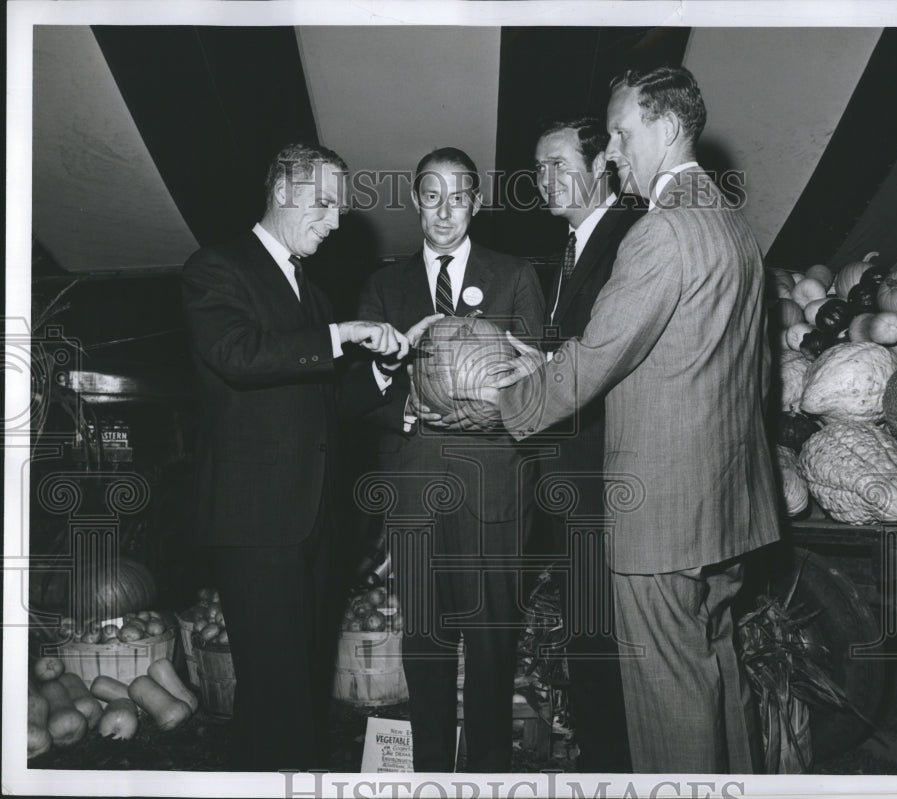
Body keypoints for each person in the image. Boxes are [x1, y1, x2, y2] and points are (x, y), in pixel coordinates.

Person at [477, 66, 781, 773]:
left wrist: (506, 399)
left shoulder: (660, 232)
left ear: (668, 128)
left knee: (669, 700)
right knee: (719, 674)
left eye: (621, 132)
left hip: (663, 515)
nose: (611, 152)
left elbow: (596, 356)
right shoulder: (735, 224)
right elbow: (754, 371)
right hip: (728, 505)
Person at [182, 142, 436, 771]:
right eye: (323, 203)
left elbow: (325, 405)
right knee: (276, 690)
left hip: (314, 519)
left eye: (339, 209)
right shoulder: (215, 268)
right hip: (256, 522)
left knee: (297, 688)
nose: (333, 220)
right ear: (281, 190)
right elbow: (239, 356)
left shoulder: (312, 294)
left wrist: (379, 375)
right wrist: (339, 335)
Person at [355, 147, 544, 772]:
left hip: (492, 486)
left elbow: (539, 390)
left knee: (492, 640)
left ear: (476, 202)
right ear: (414, 201)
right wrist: (400, 395)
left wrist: (512, 383)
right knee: (426, 640)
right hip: (414, 486)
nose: (443, 210)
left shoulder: (516, 275)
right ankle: (431, 769)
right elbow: (358, 389)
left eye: (457, 196)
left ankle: (489, 769)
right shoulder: (384, 284)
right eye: (430, 195)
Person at [530, 116, 642, 772]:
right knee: (589, 639)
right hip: (577, 487)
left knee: (602, 645)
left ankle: (614, 770)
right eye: (537, 167)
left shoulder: (627, 239)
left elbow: (598, 364)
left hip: (607, 488)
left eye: (556, 163)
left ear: (600, 164)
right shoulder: (573, 249)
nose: (544, 180)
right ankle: (604, 759)